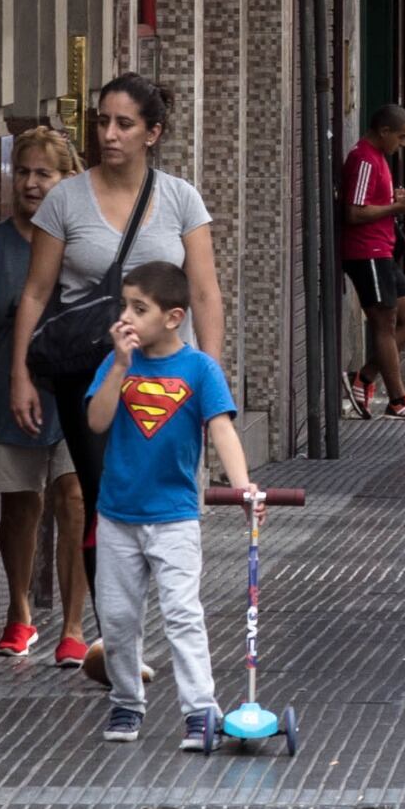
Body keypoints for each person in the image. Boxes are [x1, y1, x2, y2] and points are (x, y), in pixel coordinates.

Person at [8, 75, 225, 615]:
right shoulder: (66, 199)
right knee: (99, 495)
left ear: (152, 133)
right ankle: (111, 628)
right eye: (102, 121)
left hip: (170, 376)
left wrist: (210, 378)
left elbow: (204, 292)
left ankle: (164, 606)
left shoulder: (181, 200)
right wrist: (20, 375)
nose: (109, 133)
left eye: (124, 124)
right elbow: (36, 293)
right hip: (92, 371)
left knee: (167, 497)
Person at [83, 261, 251, 749]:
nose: (126, 317)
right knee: (117, 618)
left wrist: (242, 488)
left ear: (174, 317)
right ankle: (126, 701)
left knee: (182, 612)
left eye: (140, 308)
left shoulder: (200, 369)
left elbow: (222, 428)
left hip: (175, 517)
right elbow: (96, 422)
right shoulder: (117, 362)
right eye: (124, 306)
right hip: (117, 515)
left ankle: (201, 710)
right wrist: (117, 366)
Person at [0, 126, 89, 666]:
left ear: (68, 179)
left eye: (43, 174)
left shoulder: (83, 240)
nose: (30, 184)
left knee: (75, 499)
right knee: (20, 503)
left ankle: (74, 625)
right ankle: (21, 613)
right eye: (22, 172)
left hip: (74, 391)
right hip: (10, 391)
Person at [340, 105, 405, 420]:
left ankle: (365, 377)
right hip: (366, 252)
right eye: (402, 137)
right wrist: (397, 208)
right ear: (384, 131)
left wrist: (396, 199)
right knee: (385, 322)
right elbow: (354, 212)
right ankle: (397, 399)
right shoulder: (364, 158)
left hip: (382, 250)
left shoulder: (378, 158)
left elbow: (372, 200)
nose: (403, 144)